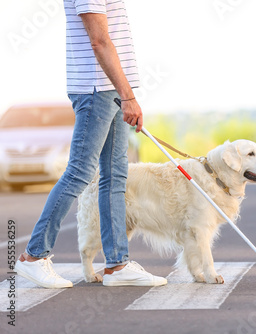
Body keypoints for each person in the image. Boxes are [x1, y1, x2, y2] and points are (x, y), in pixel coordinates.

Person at [15, 0, 167, 289]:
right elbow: (99, 41)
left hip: (110, 90)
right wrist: (128, 96)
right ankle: (33, 257)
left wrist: (125, 93)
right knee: (80, 172)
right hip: (97, 90)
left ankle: (117, 264)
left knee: (115, 175)